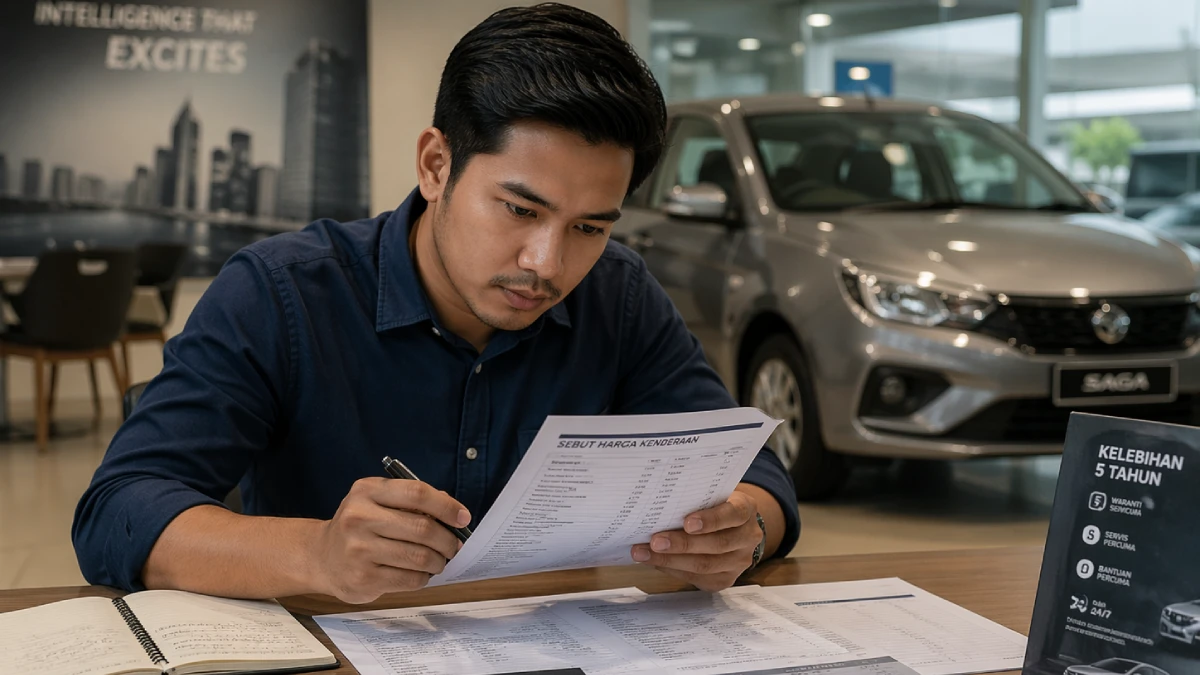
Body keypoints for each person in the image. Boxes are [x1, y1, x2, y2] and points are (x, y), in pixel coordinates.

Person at [72, 3, 800, 603]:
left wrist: (743, 526)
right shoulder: (281, 292)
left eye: (587, 227)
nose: (546, 265)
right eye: (519, 210)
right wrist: (318, 553)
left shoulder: (621, 294)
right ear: (435, 164)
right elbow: (118, 510)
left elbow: (754, 471)